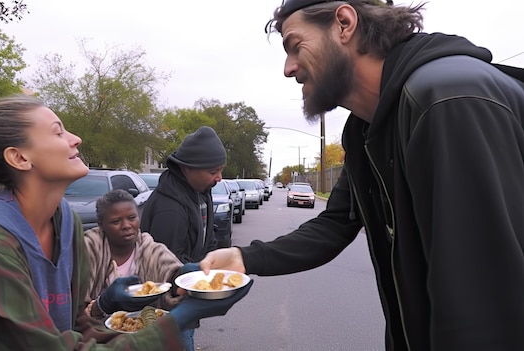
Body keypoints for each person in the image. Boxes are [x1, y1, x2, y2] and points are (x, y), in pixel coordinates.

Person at [200, 0, 524, 350]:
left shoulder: (448, 99)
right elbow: (335, 224)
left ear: (344, 23)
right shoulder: (364, 131)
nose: (288, 68)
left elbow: (487, 302)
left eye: (295, 46)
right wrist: (243, 258)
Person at [0, 94, 252, 350]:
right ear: (19, 157)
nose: (75, 138)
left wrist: (107, 306)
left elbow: (71, 326)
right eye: (57, 132)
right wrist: (180, 320)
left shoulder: (63, 220)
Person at [140, 126, 226, 351]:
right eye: (213, 171)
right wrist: (205, 281)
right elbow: (167, 269)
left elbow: (207, 235)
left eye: (220, 170)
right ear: (189, 168)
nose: (219, 177)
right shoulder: (170, 209)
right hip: (169, 310)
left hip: (184, 302)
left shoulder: (198, 190)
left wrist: (218, 258)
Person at [84, 189, 184, 320]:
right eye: (116, 221)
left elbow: (172, 274)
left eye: (132, 218)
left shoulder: (151, 250)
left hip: (145, 333)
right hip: (97, 335)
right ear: (101, 225)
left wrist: (183, 277)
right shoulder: (87, 250)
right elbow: (73, 311)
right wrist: (102, 305)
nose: (126, 225)